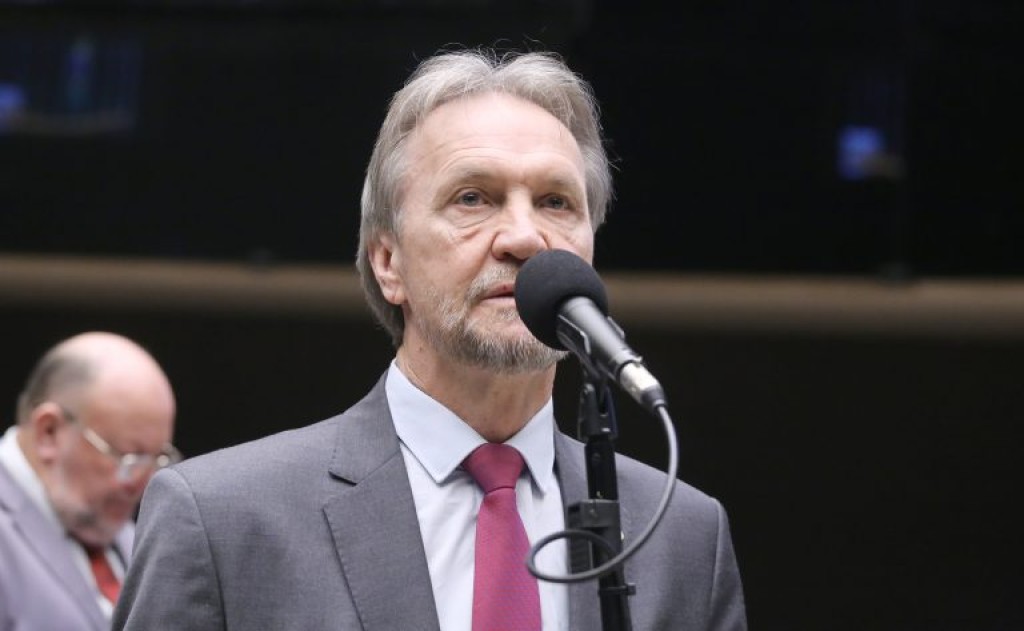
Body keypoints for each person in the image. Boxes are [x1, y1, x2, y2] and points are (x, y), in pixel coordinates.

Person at [113, 47, 747, 630]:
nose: (524, 237)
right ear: (388, 262)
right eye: (473, 198)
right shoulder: (223, 520)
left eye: (556, 202)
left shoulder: (683, 537)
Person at [0, 331, 178, 631]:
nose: (140, 483)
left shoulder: (133, 540)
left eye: (156, 459)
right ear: (48, 432)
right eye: (128, 458)